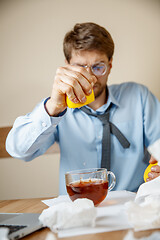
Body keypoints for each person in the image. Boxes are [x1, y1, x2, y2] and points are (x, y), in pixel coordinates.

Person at [6, 22, 160, 194]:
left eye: (98, 66)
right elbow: (19, 151)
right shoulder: (56, 108)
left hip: (131, 207)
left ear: (110, 66)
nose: (90, 76)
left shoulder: (138, 96)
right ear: (67, 66)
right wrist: (54, 106)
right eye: (80, 67)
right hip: (75, 207)